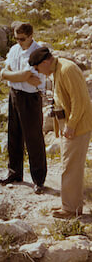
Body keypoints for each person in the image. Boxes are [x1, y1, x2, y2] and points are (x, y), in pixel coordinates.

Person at [30, 47, 92, 218]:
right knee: (69, 165)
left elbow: (78, 100)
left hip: (77, 126)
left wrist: (71, 125)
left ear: (44, 62)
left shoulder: (67, 69)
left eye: (37, 68)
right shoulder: (58, 69)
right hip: (70, 126)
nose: (38, 72)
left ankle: (71, 209)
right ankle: (70, 205)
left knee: (71, 167)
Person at [0, 23, 47, 194]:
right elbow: (8, 69)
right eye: (16, 38)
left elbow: (24, 74)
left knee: (33, 139)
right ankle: (15, 173)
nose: (19, 41)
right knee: (14, 135)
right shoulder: (14, 49)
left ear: (30, 35)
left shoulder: (37, 51)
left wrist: (9, 76)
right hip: (15, 94)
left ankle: (39, 179)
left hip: (30, 97)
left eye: (22, 39)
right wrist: (14, 76)